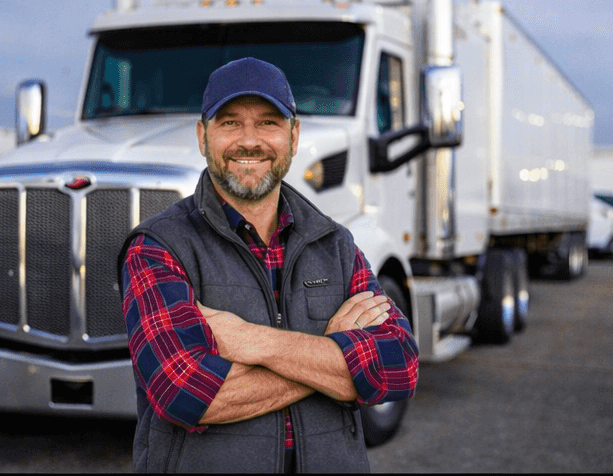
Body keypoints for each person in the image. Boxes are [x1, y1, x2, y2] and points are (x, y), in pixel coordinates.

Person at [118, 58, 418, 473]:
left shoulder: (335, 245)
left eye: (268, 123)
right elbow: (185, 391)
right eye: (229, 123)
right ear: (202, 136)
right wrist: (331, 355)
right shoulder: (158, 249)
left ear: (293, 137)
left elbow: (398, 365)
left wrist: (250, 341)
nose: (249, 141)